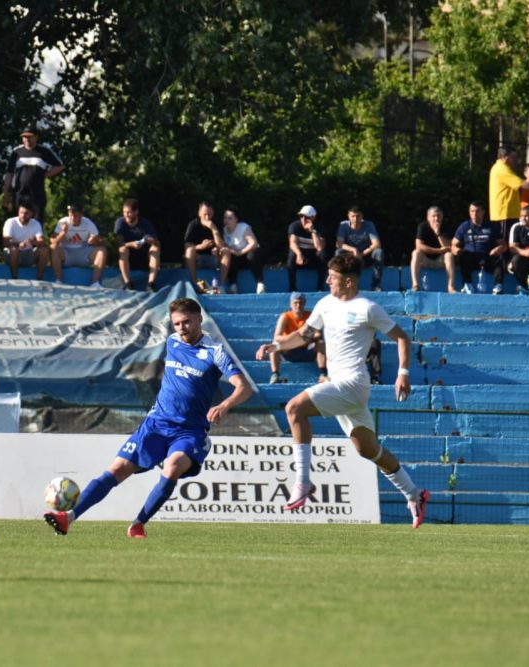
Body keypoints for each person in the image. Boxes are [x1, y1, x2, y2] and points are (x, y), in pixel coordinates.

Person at [44, 297, 252, 538]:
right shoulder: (173, 341)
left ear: (199, 319)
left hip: (190, 431)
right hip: (156, 423)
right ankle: (68, 518)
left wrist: (225, 404)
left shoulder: (215, 352)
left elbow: (244, 387)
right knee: (117, 468)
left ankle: (138, 524)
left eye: (186, 322)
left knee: (173, 467)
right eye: (176, 323)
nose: (181, 328)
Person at [255, 254, 430, 528]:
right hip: (340, 386)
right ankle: (414, 494)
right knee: (367, 449)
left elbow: (401, 337)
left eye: (333, 277)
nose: (327, 281)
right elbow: (303, 335)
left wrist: (403, 373)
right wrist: (275, 346)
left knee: (294, 408)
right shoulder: (325, 304)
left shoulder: (368, 308)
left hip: (353, 383)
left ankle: (303, 481)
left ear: (348, 281)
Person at [1, 127, 63, 219]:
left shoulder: (44, 151)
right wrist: (6, 192)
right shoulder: (16, 152)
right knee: (19, 220)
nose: (27, 139)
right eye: (24, 137)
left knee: (37, 222)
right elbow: (9, 173)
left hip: (37, 194)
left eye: (29, 137)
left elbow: (59, 166)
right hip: (20, 193)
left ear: (36, 137)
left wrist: (44, 175)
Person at [267, 292, 327, 385]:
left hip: (307, 349)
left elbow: (318, 334)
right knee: (274, 345)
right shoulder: (286, 316)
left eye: (301, 303)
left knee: (321, 342)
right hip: (289, 350)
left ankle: (323, 373)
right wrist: (294, 338)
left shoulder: (310, 316)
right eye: (295, 303)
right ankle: (275, 375)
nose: (298, 305)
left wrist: (303, 338)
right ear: (290, 304)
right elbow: (277, 337)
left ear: (304, 303)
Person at [451, 201, 507, 294]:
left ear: (483, 212)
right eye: (472, 211)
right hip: (471, 257)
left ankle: (498, 286)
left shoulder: (491, 226)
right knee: (464, 255)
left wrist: (498, 249)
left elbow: (504, 245)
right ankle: (467, 284)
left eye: (477, 211)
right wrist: (456, 250)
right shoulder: (464, 226)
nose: (474, 214)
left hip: (488, 256)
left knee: (499, 257)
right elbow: (453, 244)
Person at [489, 145, 529, 239]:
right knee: (505, 242)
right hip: (504, 214)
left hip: (509, 213)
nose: (515, 160)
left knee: (511, 240)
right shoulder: (502, 169)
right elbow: (521, 184)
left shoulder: (503, 168)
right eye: (513, 157)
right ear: (505, 157)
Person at [50, 203, 107, 287]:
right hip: (66, 254)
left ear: (81, 215)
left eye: (75, 216)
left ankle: (95, 283)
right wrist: (63, 233)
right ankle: (59, 281)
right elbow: (53, 242)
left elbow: (101, 241)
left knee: (102, 250)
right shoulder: (63, 222)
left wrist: (94, 241)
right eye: (70, 215)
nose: (72, 218)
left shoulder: (88, 223)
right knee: (53, 248)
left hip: (83, 253)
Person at [114, 198, 161, 292]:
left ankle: (151, 283)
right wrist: (131, 244)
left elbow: (158, 244)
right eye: (124, 212)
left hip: (144, 258)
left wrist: (151, 241)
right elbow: (119, 242)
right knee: (122, 249)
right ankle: (128, 283)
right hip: (128, 258)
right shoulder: (120, 222)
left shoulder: (145, 224)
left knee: (155, 249)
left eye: (129, 212)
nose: (126, 215)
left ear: (136, 212)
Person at [183, 202, 228, 293]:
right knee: (189, 251)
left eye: (209, 215)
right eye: (205, 214)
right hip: (198, 259)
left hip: (213, 258)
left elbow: (221, 246)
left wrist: (214, 229)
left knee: (226, 251)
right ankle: (195, 284)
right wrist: (201, 246)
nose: (207, 218)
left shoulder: (216, 224)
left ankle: (221, 285)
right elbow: (187, 246)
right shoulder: (193, 225)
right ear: (199, 213)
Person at [335, 205, 384, 290]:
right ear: (348, 216)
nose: (355, 219)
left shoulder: (369, 225)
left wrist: (361, 254)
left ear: (362, 216)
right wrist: (354, 250)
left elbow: (377, 244)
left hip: (366, 255)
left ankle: (376, 285)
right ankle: (341, 284)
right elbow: (339, 243)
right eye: (353, 216)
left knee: (379, 252)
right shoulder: (343, 225)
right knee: (338, 252)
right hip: (351, 256)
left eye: (358, 216)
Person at [410, 206, 456, 293]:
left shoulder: (446, 227)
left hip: (440, 261)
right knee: (416, 253)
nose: (436, 219)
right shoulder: (423, 226)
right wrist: (439, 250)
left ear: (442, 216)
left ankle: (451, 286)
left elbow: (447, 246)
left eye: (439, 216)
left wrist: (438, 233)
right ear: (428, 217)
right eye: (434, 216)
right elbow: (419, 246)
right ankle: (415, 284)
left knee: (449, 255)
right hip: (425, 260)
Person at [221, 206, 265, 294]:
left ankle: (260, 283)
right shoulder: (223, 231)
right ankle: (233, 286)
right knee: (230, 257)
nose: (227, 220)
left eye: (230, 218)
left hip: (249, 256)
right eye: (225, 218)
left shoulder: (243, 227)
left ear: (236, 219)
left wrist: (240, 252)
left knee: (252, 255)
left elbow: (253, 243)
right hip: (237, 259)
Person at [2, 203, 48, 280]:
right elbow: (5, 242)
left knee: (44, 250)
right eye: (21, 212)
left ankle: (39, 278)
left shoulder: (35, 224)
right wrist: (19, 244)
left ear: (31, 214)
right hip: (13, 254)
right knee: (14, 249)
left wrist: (31, 242)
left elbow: (42, 241)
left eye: (26, 213)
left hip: (28, 253)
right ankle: (14, 277)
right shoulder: (10, 222)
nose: (23, 215)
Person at [286, 205, 327, 292]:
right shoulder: (295, 226)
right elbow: (292, 243)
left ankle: (320, 287)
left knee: (322, 255)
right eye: (301, 216)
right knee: (292, 255)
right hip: (300, 256)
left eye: (307, 217)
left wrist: (313, 231)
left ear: (313, 218)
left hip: (313, 256)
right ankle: (292, 288)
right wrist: (299, 254)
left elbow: (319, 247)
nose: (303, 219)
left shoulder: (319, 227)